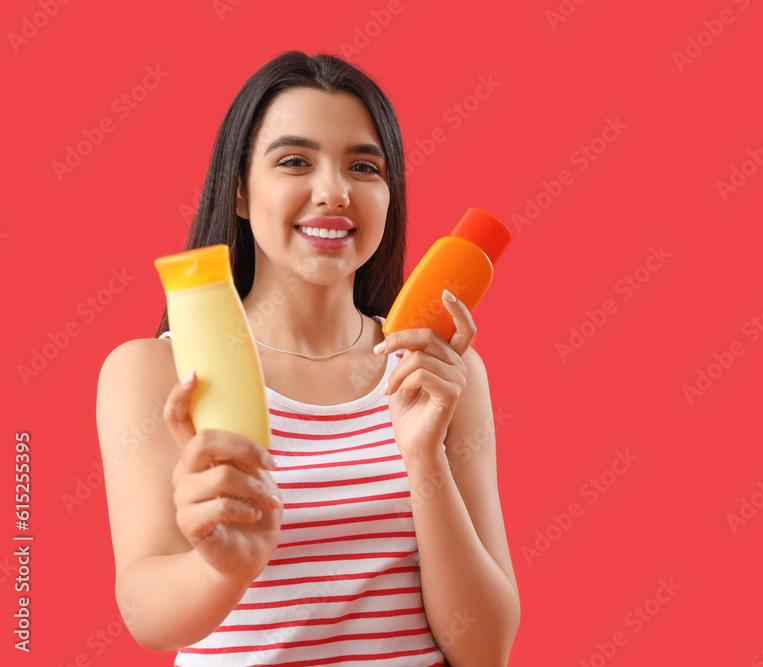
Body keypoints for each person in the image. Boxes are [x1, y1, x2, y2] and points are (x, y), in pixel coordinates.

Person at [95, 50, 519, 666]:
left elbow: (484, 650)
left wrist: (424, 455)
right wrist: (221, 568)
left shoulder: (440, 372)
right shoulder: (155, 371)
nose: (333, 192)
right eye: (294, 161)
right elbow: (146, 616)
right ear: (238, 190)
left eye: (364, 167)